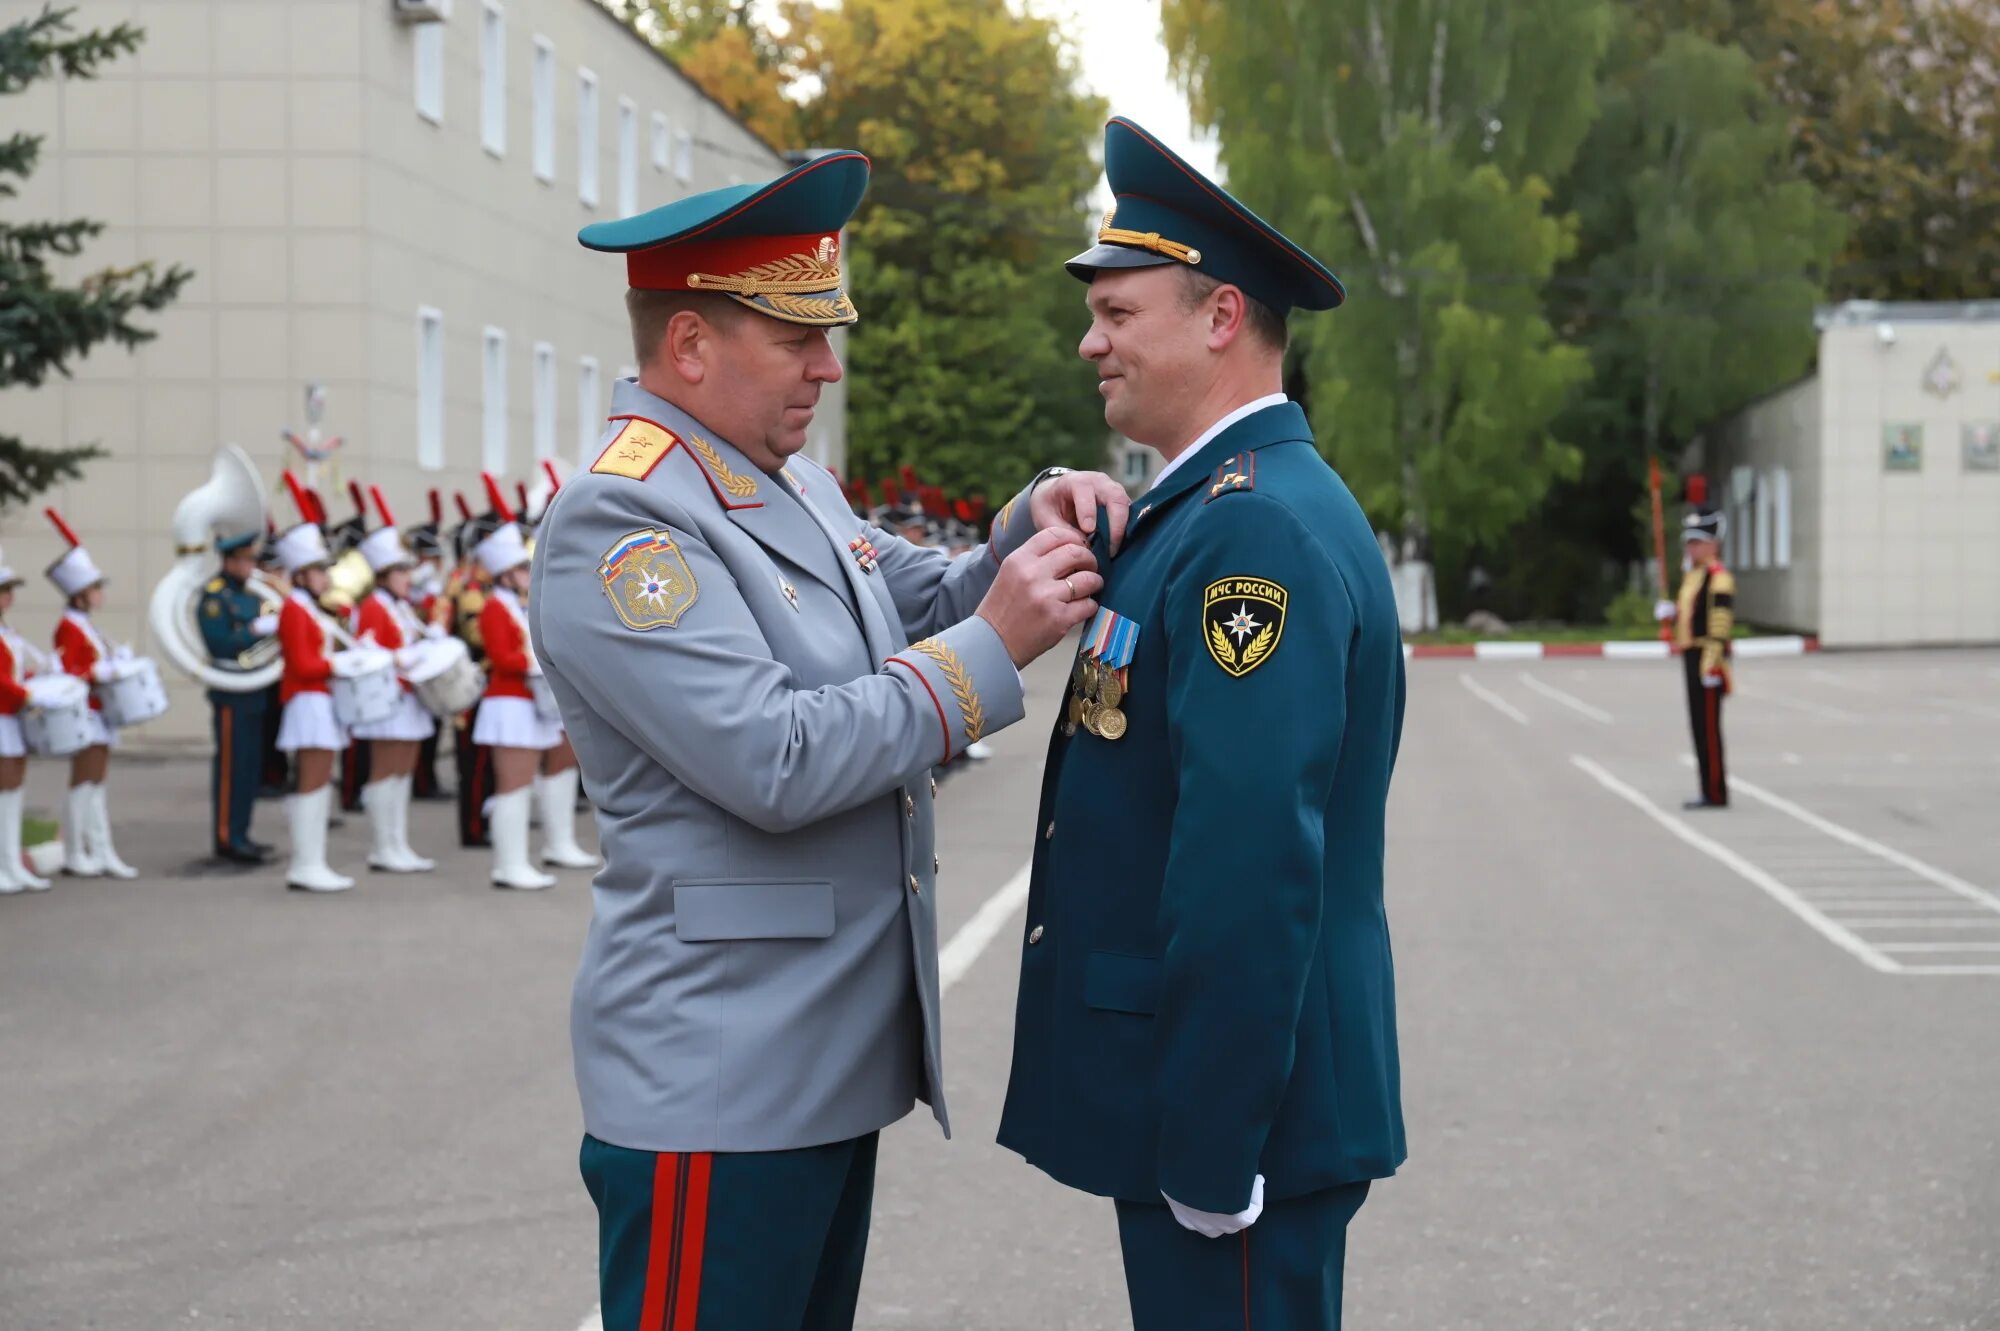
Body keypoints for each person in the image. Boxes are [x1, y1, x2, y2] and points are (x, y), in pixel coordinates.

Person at [531, 149, 1119, 1331]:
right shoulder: (625, 517)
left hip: (810, 1061)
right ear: (690, 346)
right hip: (719, 1074)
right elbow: (774, 758)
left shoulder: (779, 480)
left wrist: (1028, 517)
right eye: (795, 337)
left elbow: (913, 596)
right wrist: (996, 641)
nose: (825, 365)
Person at [996, 117, 1407, 1331]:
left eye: (1117, 313)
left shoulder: (1250, 529)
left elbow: (1248, 858)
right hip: (1227, 1105)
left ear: (1219, 317)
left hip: (1241, 1126)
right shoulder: (1215, 505)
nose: (1089, 341)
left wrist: (1213, 1141)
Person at [470, 482, 595, 889]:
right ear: (505, 573)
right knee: (514, 785)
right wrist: (540, 660)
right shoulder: (493, 607)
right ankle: (508, 864)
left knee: (548, 773)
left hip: (533, 699)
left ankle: (552, 846)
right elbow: (503, 658)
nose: (528, 572)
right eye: (522, 568)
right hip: (509, 702)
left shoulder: (518, 604)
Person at [349, 490, 439, 873]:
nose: (409, 576)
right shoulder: (372, 606)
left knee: (402, 773)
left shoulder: (400, 606)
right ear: (385, 574)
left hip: (407, 697)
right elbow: (365, 653)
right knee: (386, 772)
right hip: (387, 699)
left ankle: (398, 843)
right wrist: (400, 657)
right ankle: (382, 846)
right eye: (402, 571)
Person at [46, 509, 139, 880]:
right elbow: (70, 673)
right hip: (84, 712)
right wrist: (99, 671)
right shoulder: (68, 627)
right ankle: (76, 850)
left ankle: (100, 850)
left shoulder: (85, 626)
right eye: (95, 588)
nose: (101, 594)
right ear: (79, 594)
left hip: (99, 711)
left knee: (96, 783)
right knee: (84, 783)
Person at [271, 495, 354, 893]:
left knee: (320, 783)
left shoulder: (307, 608)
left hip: (317, 700)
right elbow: (303, 664)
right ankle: (305, 864)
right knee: (312, 783)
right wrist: (340, 665)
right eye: (320, 571)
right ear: (302, 574)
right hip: (307, 700)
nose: (326, 578)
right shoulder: (293, 609)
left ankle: (313, 861)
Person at [197, 528, 277, 865]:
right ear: (228, 561)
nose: (250, 566)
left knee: (249, 768)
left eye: (251, 560)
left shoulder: (254, 595)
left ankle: (243, 832)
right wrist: (254, 631)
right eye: (244, 560)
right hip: (231, 690)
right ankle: (227, 837)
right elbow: (220, 643)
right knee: (231, 767)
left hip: (256, 687)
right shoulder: (216, 597)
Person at [1663, 507, 1733, 809]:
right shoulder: (1694, 576)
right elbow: (1690, 614)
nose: (1690, 548)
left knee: (1708, 727)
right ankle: (1707, 787)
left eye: (1697, 542)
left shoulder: (1718, 578)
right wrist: (1672, 613)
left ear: (1712, 544)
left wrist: (1711, 662)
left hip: (1708, 657)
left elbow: (1719, 624)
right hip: (1692, 654)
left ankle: (1715, 791)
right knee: (1697, 726)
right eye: (1689, 542)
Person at [0, 552, 50, 894]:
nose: (10, 597)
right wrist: (26, 693)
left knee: (13, 791)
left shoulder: (8, 630)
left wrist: (36, 681)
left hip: (11, 716)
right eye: (5, 589)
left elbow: (13, 673)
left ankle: (11, 864)